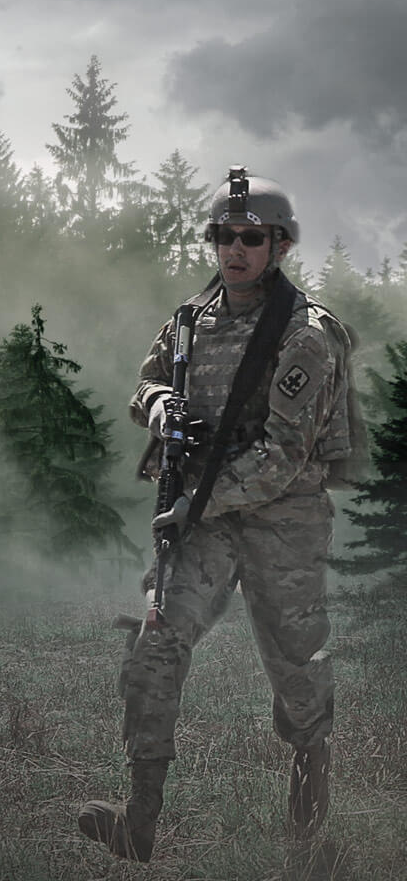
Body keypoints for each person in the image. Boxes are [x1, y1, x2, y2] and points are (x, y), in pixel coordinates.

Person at [77, 167, 362, 862]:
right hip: (200, 512)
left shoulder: (305, 335)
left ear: (281, 246)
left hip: (281, 520)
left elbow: (282, 458)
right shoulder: (190, 319)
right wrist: (159, 406)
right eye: (223, 236)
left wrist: (190, 504)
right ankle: (137, 822)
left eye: (251, 238)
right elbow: (144, 382)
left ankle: (308, 834)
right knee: (154, 649)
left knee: (297, 674)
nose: (234, 249)